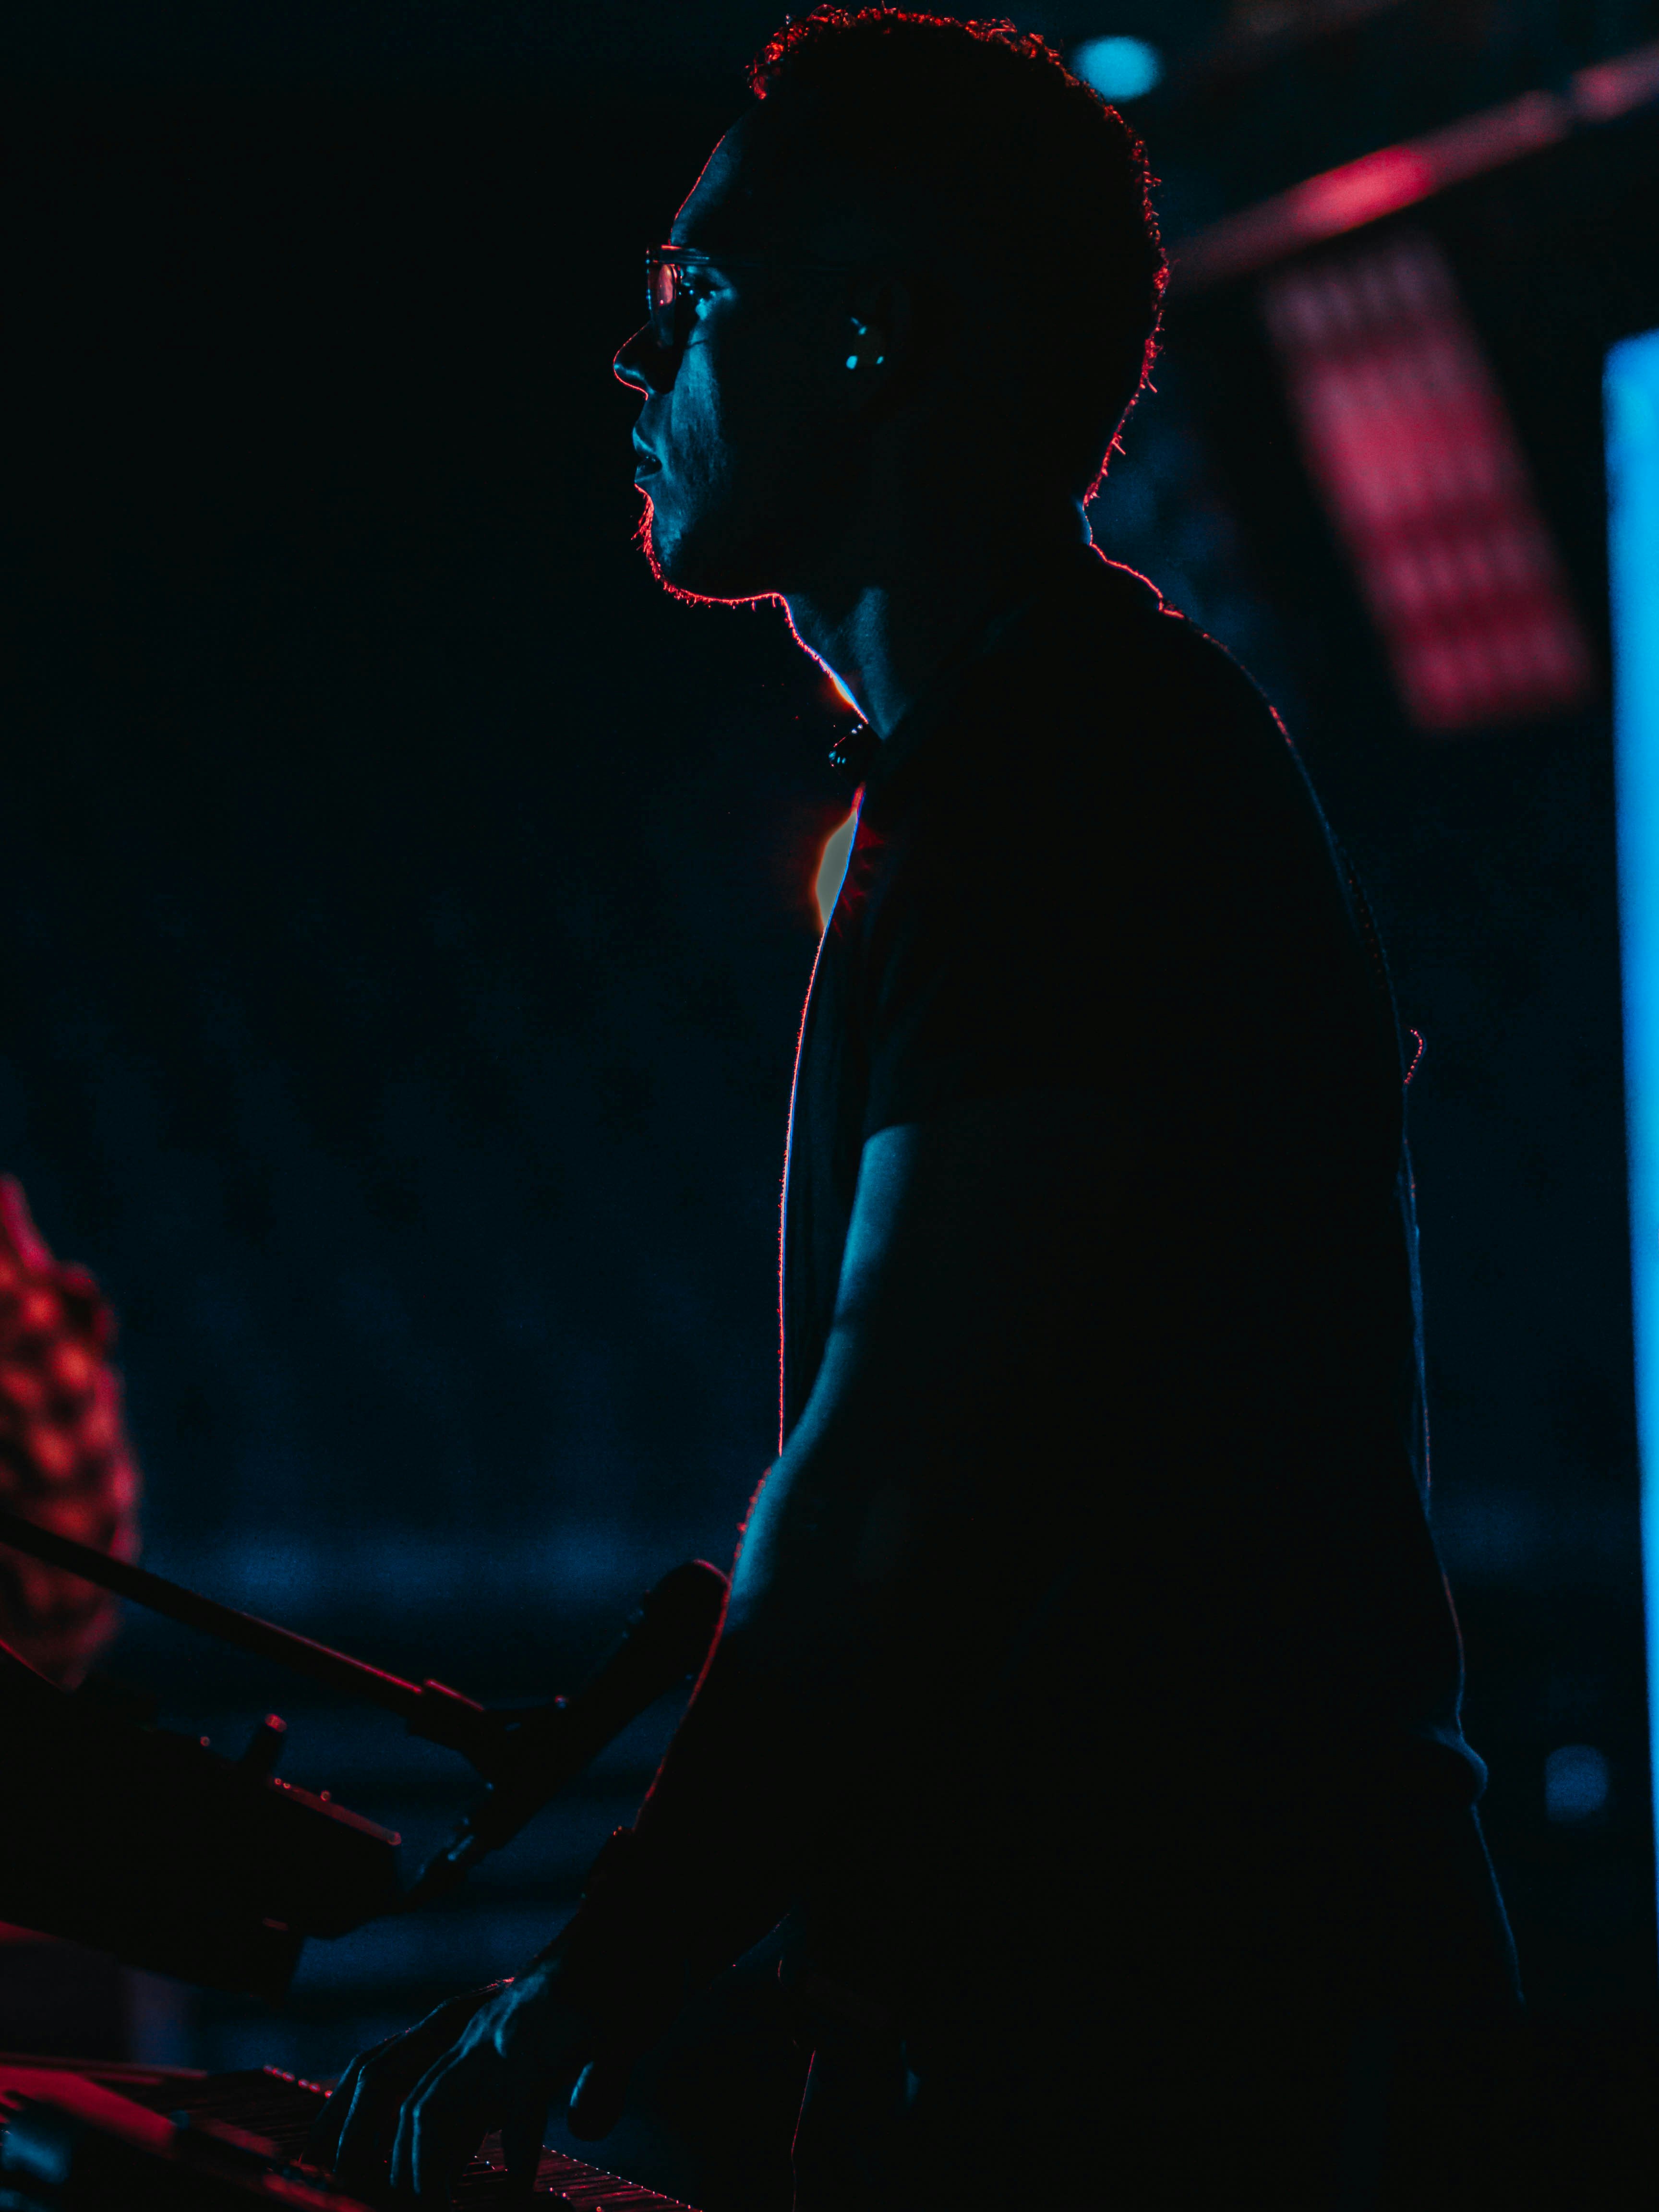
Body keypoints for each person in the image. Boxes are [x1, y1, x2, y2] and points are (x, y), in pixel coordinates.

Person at [312, 11, 1522, 2206]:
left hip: (1210, 2056)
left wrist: (586, 1990)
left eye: (694, 291)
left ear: (874, 337)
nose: (635, 354)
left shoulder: (1070, 784)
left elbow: (890, 1486)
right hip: (1152, 2026)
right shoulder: (1026, 760)